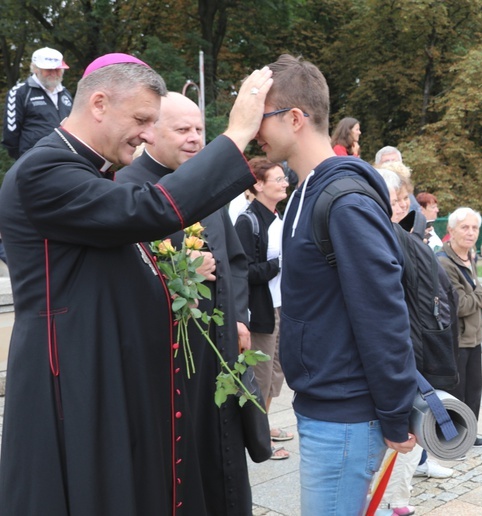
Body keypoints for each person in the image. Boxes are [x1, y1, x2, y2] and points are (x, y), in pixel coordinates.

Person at [0, 53, 273, 514]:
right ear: (100, 103)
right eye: (143, 119)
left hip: (102, 371)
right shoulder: (42, 169)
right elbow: (149, 209)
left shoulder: (86, 170)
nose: (148, 133)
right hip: (73, 379)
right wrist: (237, 135)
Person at [256, 54, 417, 515]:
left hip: (345, 415)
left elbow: (382, 311)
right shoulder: (305, 189)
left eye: (260, 115)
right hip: (324, 405)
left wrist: (394, 412)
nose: (253, 128)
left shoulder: (342, 200)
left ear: (294, 118)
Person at [115, 92, 255, 513]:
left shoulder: (206, 184)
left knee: (223, 457)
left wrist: (240, 318)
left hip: (219, 348)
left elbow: (233, 260)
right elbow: (121, 273)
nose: (195, 139)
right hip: (169, 356)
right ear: (150, 132)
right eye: (183, 130)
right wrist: (175, 269)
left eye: (199, 129)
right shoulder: (127, 187)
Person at [234, 157, 294, 460]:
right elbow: (242, 271)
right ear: (258, 184)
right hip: (261, 311)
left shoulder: (277, 215)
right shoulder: (248, 221)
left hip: (281, 306)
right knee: (260, 377)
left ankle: (266, 425)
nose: (285, 183)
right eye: (278, 179)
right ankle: (259, 441)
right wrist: (280, 264)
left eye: (284, 179)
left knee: (277, 373)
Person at [437, 207, 482, 448]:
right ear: (451, 231)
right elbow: (461, 305)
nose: (471, 233)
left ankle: (469, 434)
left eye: (475, 228)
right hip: (456, 339)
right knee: (457, 393)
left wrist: (477, 295)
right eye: (465, 227)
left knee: (474, 391)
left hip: (474, 336)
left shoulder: (470, 256)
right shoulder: (444, 262)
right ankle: (454, 438)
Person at [2, 47, 74, 159]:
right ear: (35, 69)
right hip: (33, 161)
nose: (54, 73)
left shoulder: (65, 94)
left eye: (58, 69)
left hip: (65, 159)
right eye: (49, 69)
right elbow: (11, 135)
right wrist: (23, 159)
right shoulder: (20, 92)